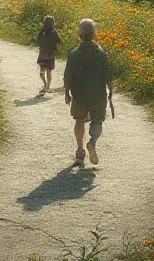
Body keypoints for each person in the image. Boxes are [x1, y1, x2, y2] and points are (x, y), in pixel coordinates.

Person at [64, 19, 113, 168]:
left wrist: (67, 92)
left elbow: (67, 76)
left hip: (79, 94)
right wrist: (110, 91)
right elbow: (108, 75)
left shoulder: (74, 54)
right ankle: (91, 143)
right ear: (94, 32)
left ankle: (80, 153)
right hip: (98, 94)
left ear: (80, 33)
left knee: (79, 120)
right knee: (97, 120)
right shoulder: (101, 53)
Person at [36, 15, 60, 93]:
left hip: (42, 53)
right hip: (50, 54)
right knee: (49, 71)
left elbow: (38, 40)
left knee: (43, 68)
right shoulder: (54, 31)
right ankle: (47, 87)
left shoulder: (42, 31)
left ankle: (44, 80)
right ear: (53, 23)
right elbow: (58, 41)